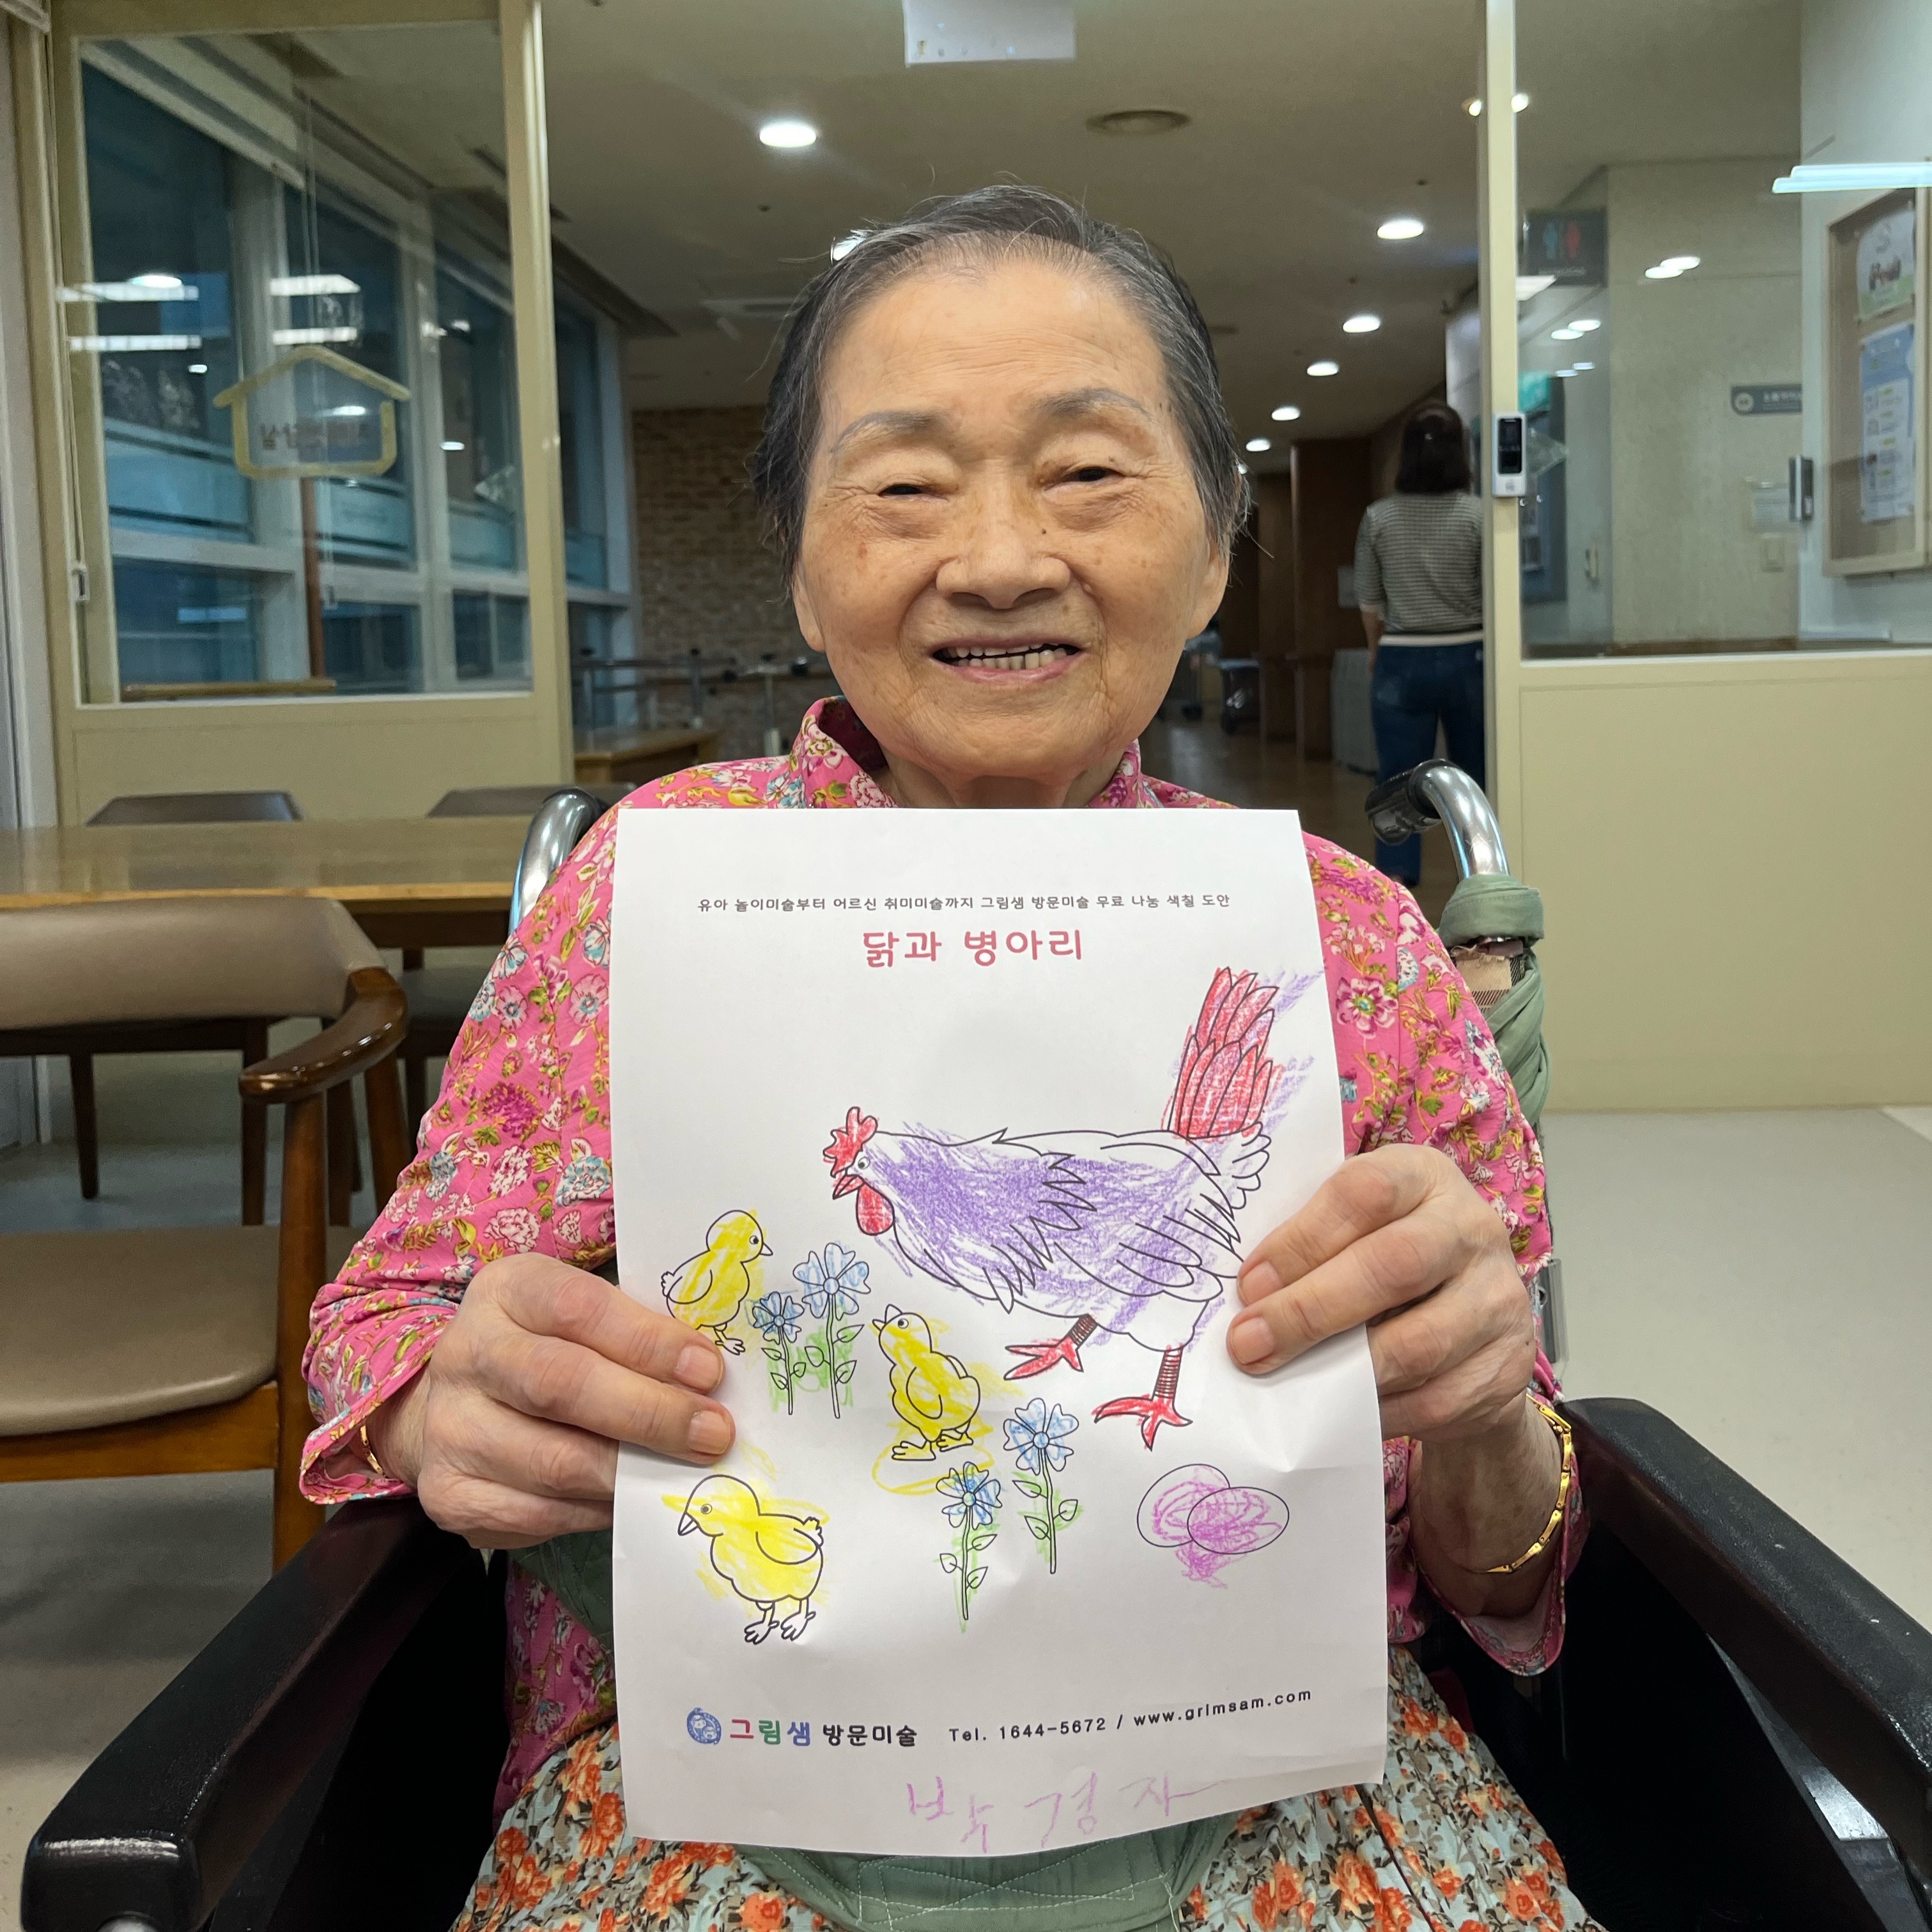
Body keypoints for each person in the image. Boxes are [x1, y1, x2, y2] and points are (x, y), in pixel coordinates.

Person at [302, 187, 1590, 1932]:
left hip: (1271, 1782)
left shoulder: (1343, 938)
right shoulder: (649, 896)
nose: (994, 557)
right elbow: (380, 1321)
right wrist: (443, 1395)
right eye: (903, 485)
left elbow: (1506, 1578)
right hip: (728, 1798)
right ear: (801, 557)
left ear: (1213, 546)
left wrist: (1485, 1404)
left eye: (1085, 472)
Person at [1354, 405, 1487, 886]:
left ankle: (1396, 879)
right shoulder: (1477, 515)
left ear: (1406, 453)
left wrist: (1377, 651)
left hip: (1401, 657)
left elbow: (1369, 601)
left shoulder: (1378, 518)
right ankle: (1481, 874)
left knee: (1397, 778)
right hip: (1470, 655)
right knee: (1476, 777)